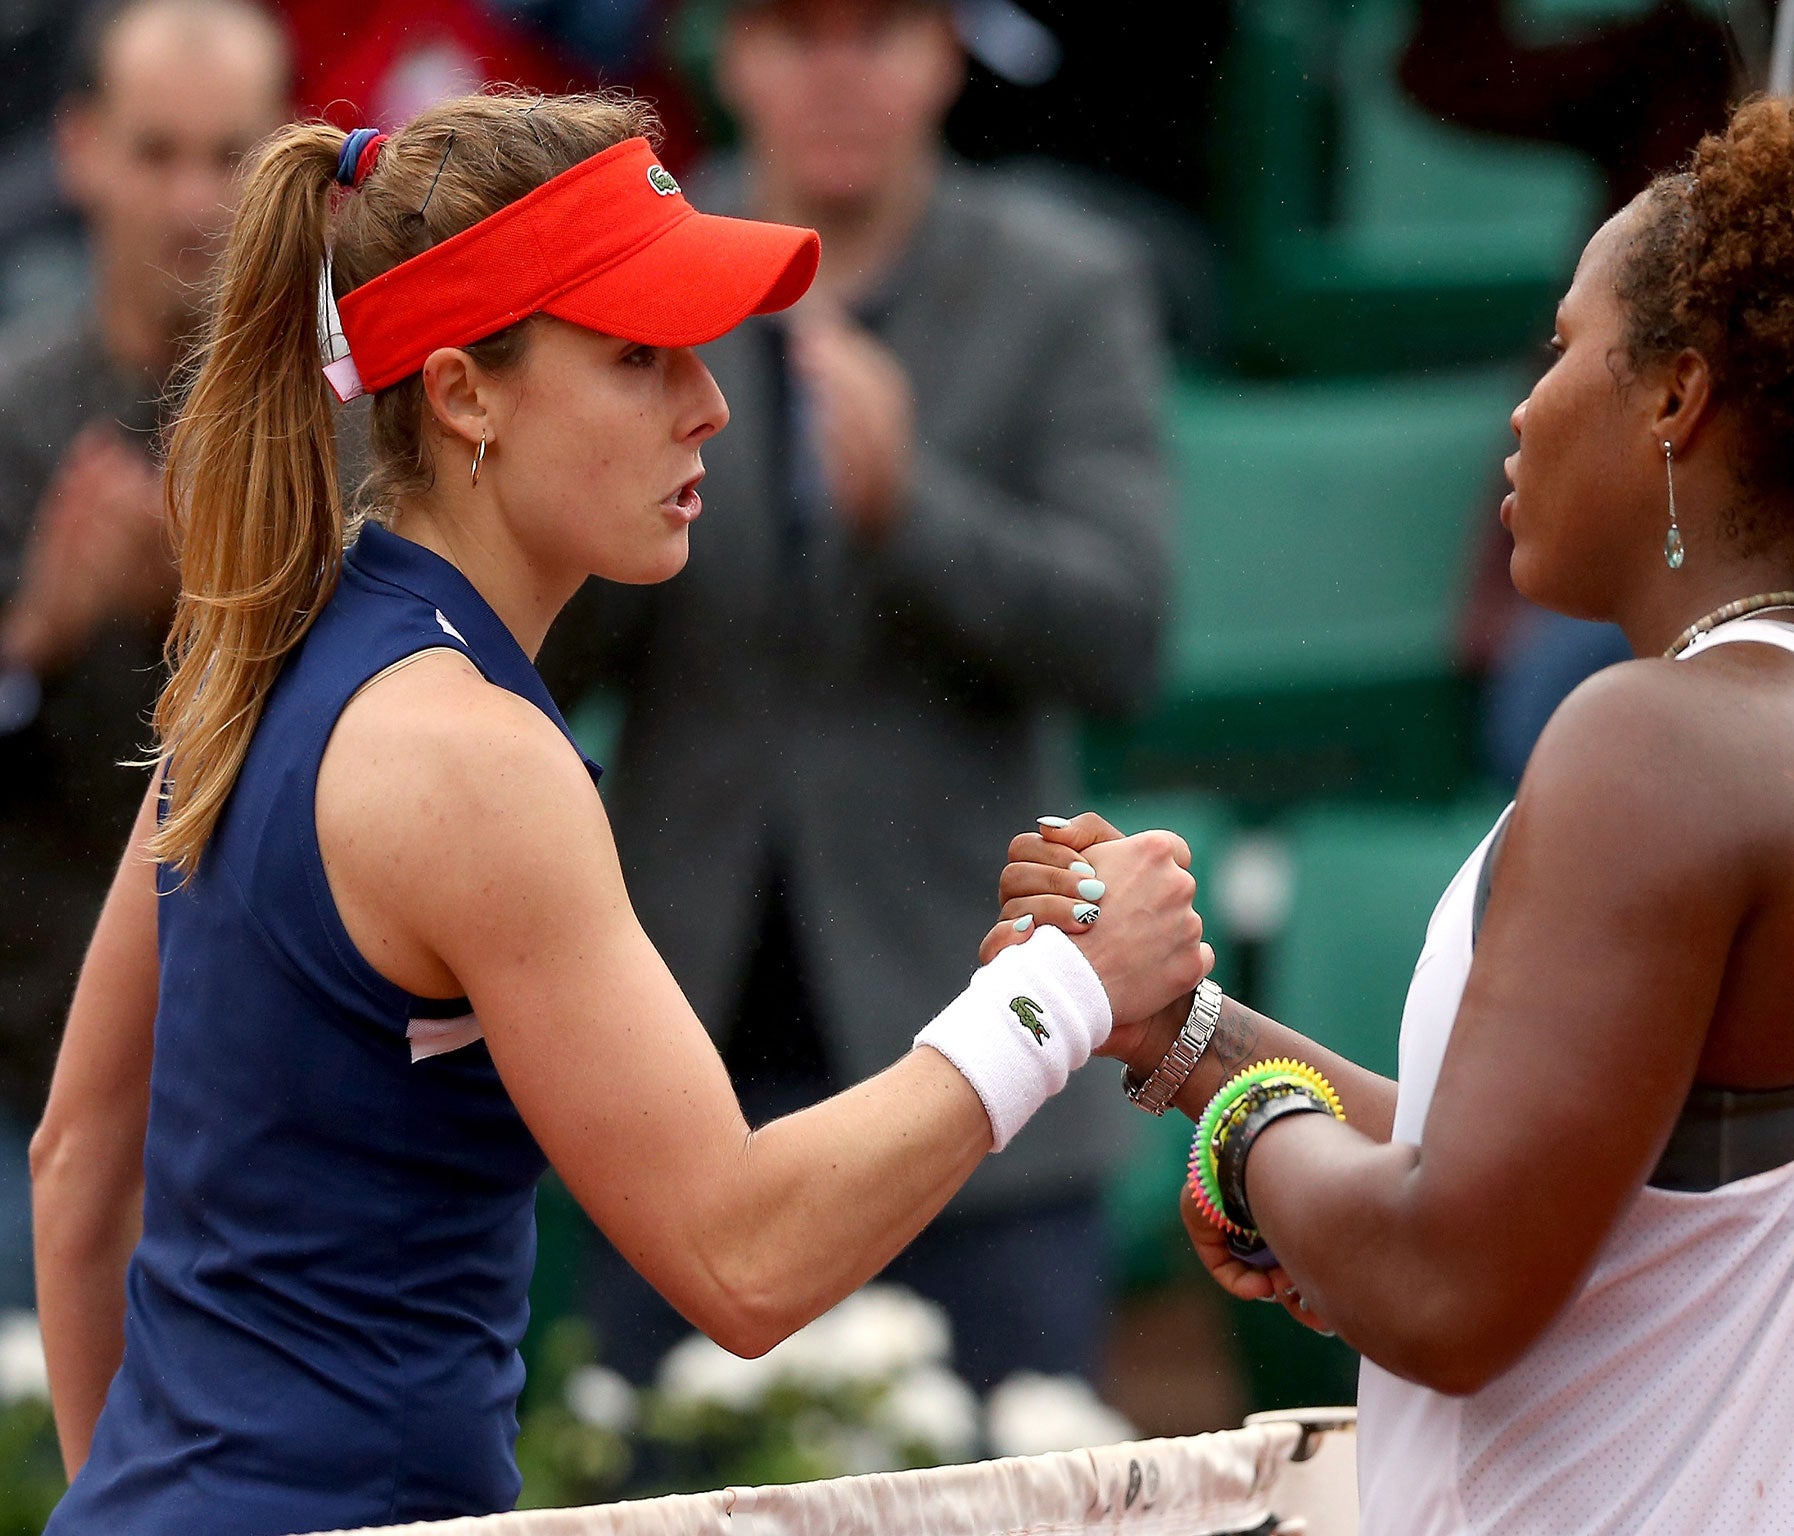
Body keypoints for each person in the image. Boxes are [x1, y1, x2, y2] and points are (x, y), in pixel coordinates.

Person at [29, 92, 1206, 1534]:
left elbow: (78, 1165)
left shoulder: (256, 656)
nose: (709, 400)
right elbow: (741, 1259)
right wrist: (1063, 996)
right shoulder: (472, 758)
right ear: (465, 394)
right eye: (640, 356)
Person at [996, 98, 1794, 1529]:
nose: (1522, 410)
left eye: (1562, 351)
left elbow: (1443, 1282)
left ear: (1674, 398)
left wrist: (1247, 1136)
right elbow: (1567, 1168)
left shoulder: (1652, 742)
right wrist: (1188, 1034)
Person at [545, 0, 1170, 1389]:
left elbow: (1125, 631)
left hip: (977, 1081)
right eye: (793, 27)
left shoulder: (1064, 283)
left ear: (947, 52)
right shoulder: (631, 271)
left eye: (877, 28)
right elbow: (541, 645)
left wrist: (913, 511)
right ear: (733, 55)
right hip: (683, 1073)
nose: (836, 71)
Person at [0, 0, 289, 1309]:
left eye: (231, 155)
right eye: (154, 150)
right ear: (77, 147)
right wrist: (34, 642)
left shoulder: (363, 426)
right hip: (31, 1074)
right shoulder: (10, 414)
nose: (192, 200)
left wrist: (225, 598)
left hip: (294, 1094)